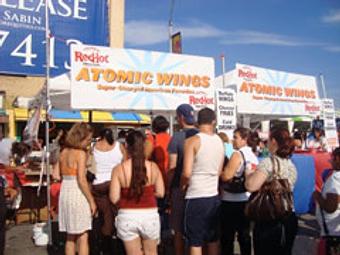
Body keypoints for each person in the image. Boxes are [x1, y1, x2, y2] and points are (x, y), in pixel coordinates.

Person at [110, 130, 164, 255]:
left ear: (127, 146)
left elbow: (114, 198)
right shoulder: (152, 167)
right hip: (149, 215)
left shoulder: (119, 169)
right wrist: (148, 193)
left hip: (127, 215)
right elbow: (161, 192)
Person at [245, 128, 298, 255]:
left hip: (270, 217)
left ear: (273, 141)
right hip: (288, 215)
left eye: (267, 140)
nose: (266, 143)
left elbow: (251, 186)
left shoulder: (268, 163)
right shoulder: (291, 164)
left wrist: (248, 173)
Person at [181, 107, 224, 255]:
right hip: (213, 195)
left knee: (195, 241)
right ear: (213, 121)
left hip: (196, 195)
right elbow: (219, 171)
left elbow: (186, 173)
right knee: (212, 239)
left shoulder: (192, 141)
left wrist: (182, 186)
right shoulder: (220, 141)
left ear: (198, 122)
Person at [58, 123, 97, 255]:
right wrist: (91, 200)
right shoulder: (80, 153)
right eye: (87, 140)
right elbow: (81, 179)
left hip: (65, 191)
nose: (88, 143)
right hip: (77, 192)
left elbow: (56, 175)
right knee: (83, 235)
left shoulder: (63, 152)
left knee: (70, 236)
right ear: (80, 138)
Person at [220, 128, 259, 255]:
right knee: (244, 236)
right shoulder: (253, 156)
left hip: (230, 199)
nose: (233, 140)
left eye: (236, 137)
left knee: (227, 237)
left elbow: (227, 176)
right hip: (246, 199)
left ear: (244, 139)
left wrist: (219, 172)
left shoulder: (237, 154)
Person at [168, 103, 198, 255]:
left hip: (179, 188)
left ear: (180, 118)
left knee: (178, 230)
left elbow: (172, 168)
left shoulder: (177, 138)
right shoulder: (201, 136)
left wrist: (169, 188)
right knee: (198, 230)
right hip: (198, 187)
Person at [91, 128, 126, 254]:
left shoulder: (94, 146)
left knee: (105, 215)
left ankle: (105, 245)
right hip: (114, 182)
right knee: (117, 212)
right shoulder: (119, 146)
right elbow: (125, 162)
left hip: (98, 184)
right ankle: (119, 240)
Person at [314, 147, 340, 245]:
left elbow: (330, 207)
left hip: (332, 234)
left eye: (332, 158)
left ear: (337, 158)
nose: (330, 161)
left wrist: (317, 196)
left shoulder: (335, 179)